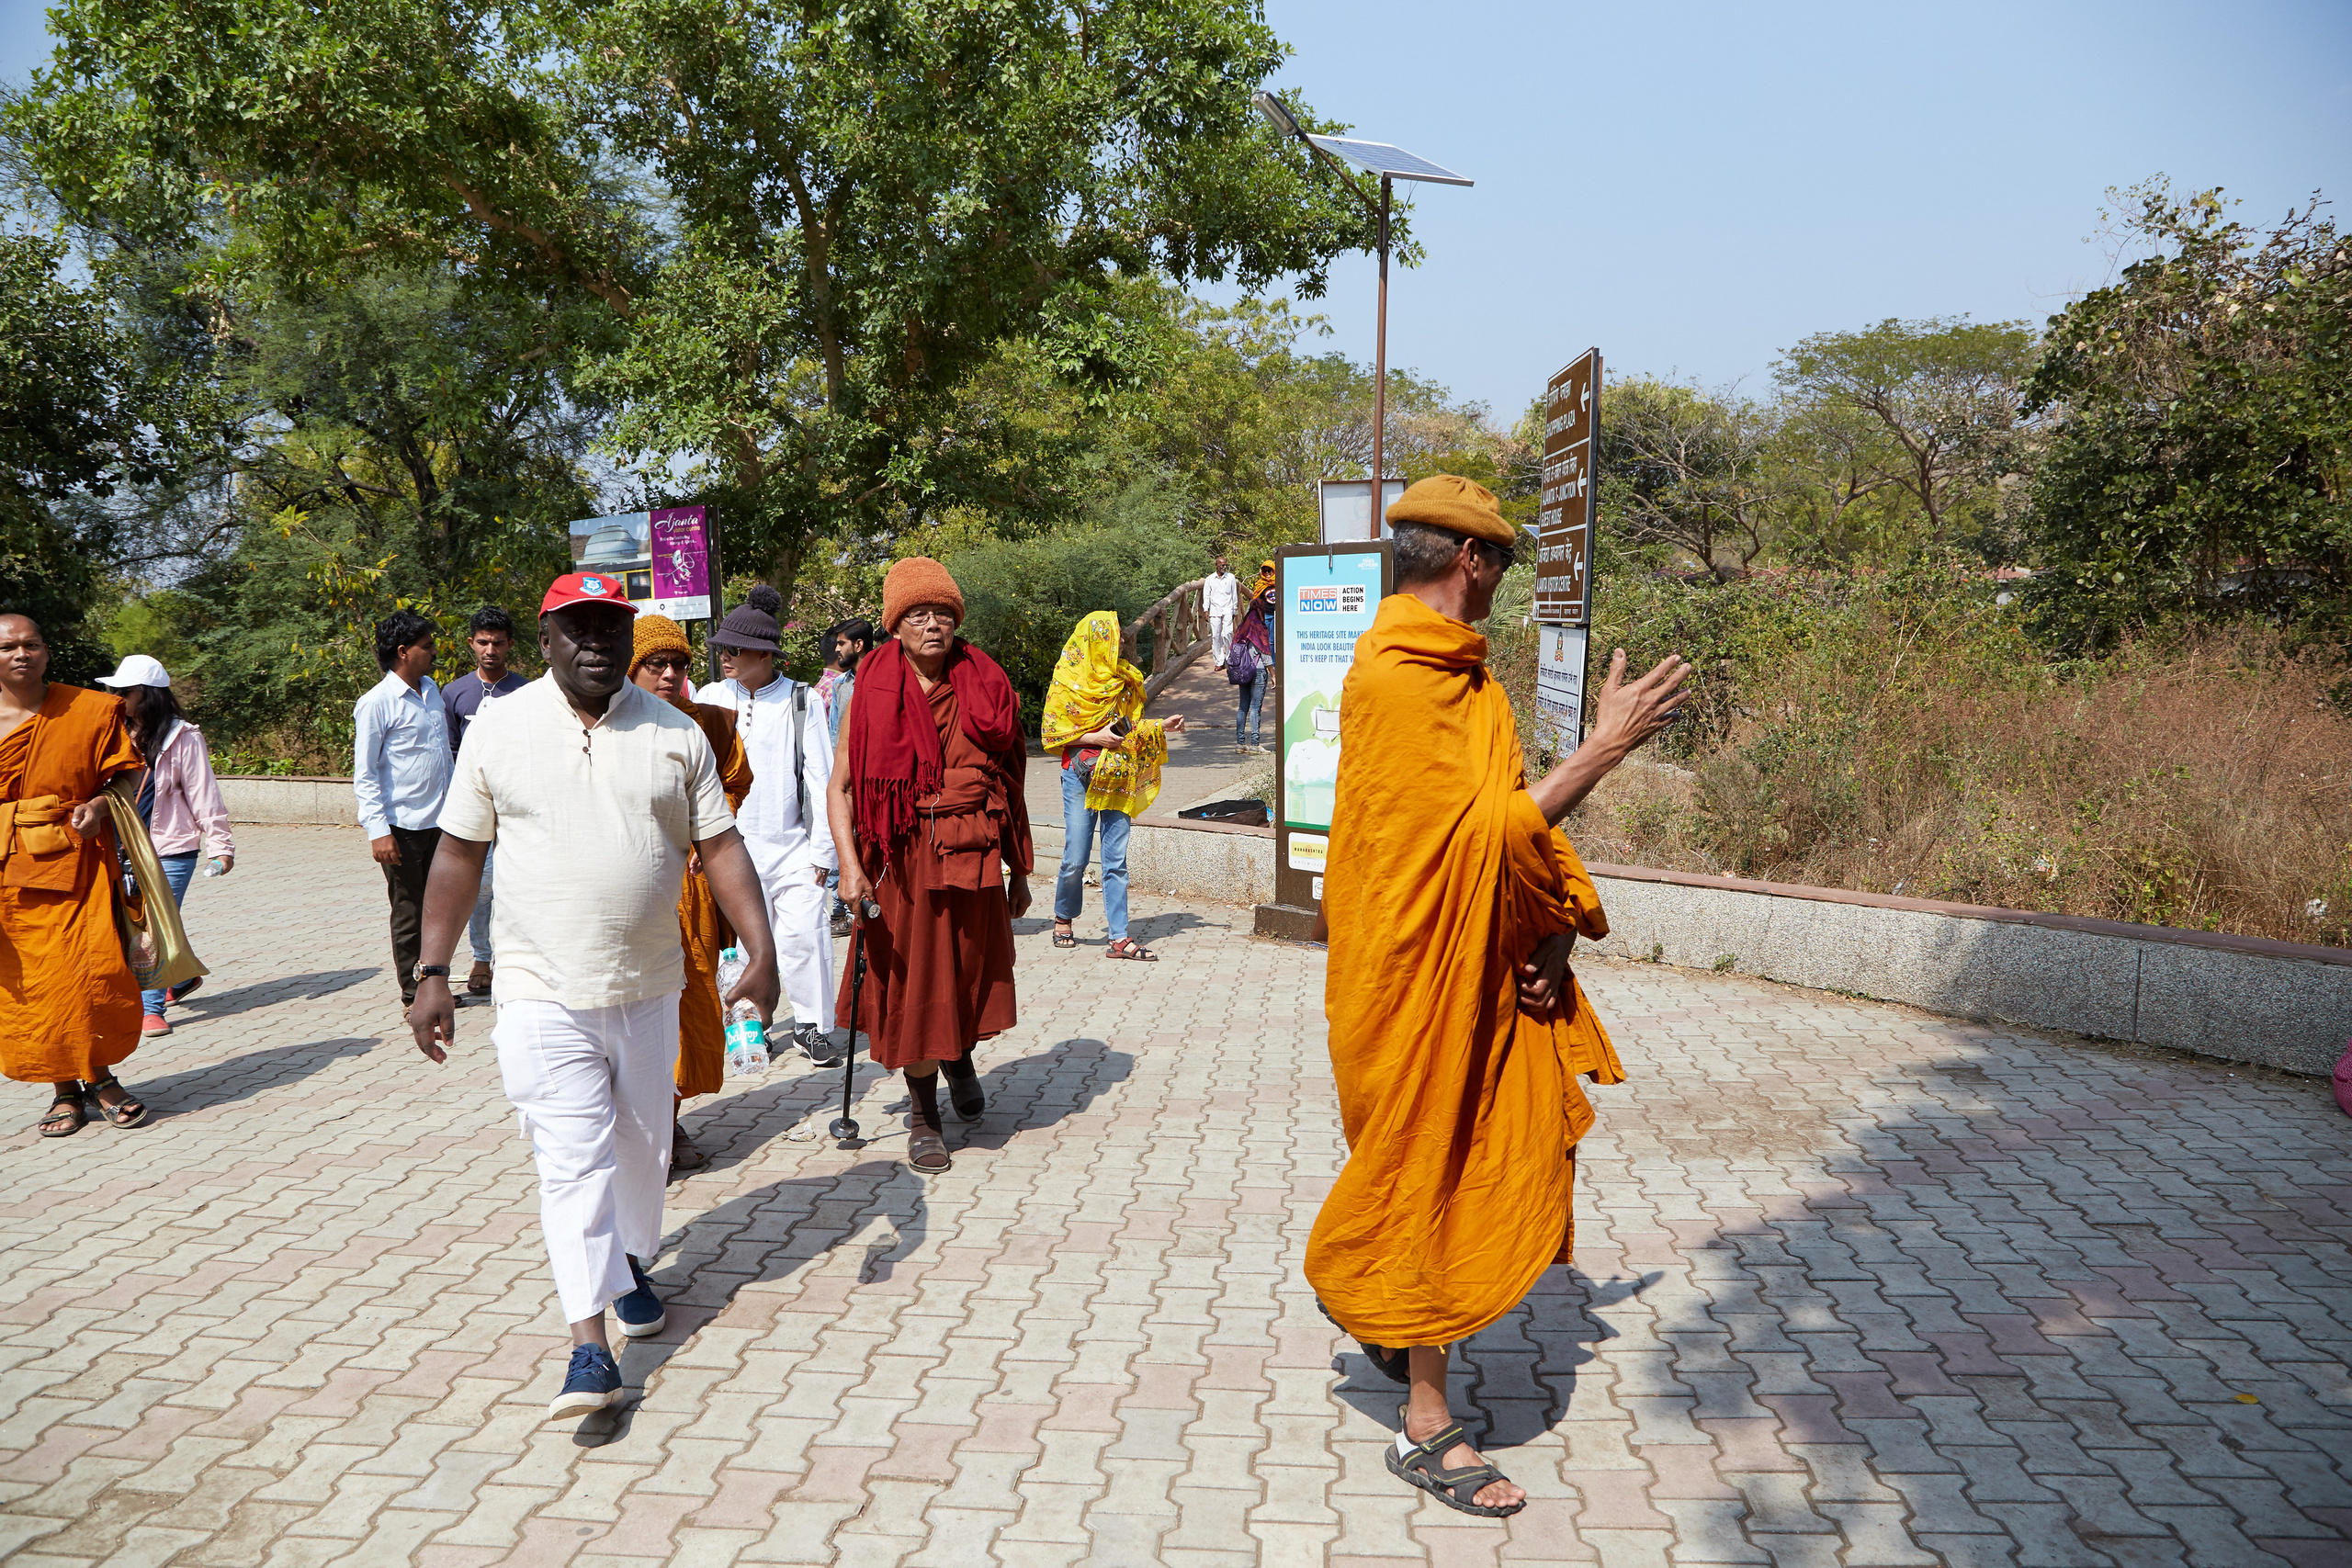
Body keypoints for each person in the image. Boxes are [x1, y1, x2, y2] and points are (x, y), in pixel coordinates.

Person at [1305, 475, 1690, 1519]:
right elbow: (1466, 841)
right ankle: (1427, 1427)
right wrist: (1605, 748)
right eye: (1500, 568)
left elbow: (1504, 831)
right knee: (1430, 1163)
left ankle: (1394, 1322)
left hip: (1477, 962)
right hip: (1406, 974)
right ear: (1471, 560)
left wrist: (1551, 935)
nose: (1501, 587)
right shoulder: (1395, 676)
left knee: (1459, 1155)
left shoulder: (1467, 677)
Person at [406, 571, 779, 1422]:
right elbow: (459, 855)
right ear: (546, 640)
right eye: (577, 627)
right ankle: (588, 1345)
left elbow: (719, 846)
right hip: (539, 990)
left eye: (611, 625)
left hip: (650, 985)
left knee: (644, 1158)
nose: (596, 641)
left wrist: (761, 948)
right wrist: (433, 972)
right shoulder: (499, 730)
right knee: (573, 1162)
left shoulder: (676, 733)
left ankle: (632, 1262)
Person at [826, 557, 1032, 1174]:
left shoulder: (986, 682)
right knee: (918, 984)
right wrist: (848, 865)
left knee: (965, 974)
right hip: (900, 857)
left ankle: (959, 1055)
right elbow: (840, 787)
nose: (933, 624)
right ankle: (923, 1114)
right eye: (917, 613)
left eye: (943, 611)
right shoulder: (870, 688)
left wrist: (1021, 870)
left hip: (971, 851)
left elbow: (1013, 781)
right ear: (895, 624)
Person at [0, 613, 153, 1134]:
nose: (22, 654)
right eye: (8, 647)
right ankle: (65, 1090)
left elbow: (130, 771)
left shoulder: (87, 709)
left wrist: (104, 807)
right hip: (8, 877)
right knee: (37, 985)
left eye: (32, 644)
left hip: (78, 865)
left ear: (46, 651)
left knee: (92, 974)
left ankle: (101, 1078)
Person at [629, 615, 754, 1171]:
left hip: (693, 888)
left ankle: (670, 1125)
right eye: (656, 664)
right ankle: (629, 1131)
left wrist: (712, 828)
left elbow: (735, 779)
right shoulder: (608, 727)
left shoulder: (708, 724)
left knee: (685, 1006)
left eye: (679, 664)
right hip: (629, 890)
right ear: (632, 668)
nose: (670, 674)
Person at [695, 584, 840, 1066]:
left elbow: (822, 779)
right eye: (722, 650)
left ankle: (813, 1026)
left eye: (733, 650)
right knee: (739, 946)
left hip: (793, 846)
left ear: (763, 654)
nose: (724, 658)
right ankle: (751, 1021)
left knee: (804, 935)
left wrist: (824, 852)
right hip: (729, 850)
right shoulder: (713, 698)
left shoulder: (801, 700)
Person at [96, 654, 234, 1036]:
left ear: (149, 694)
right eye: (113, 689)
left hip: (171, 846)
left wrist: (221, 845)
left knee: (155, 922)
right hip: (121, 844)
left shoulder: (182, 736)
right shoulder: (111, 732)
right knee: (125, 920)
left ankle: (150, 1009)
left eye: (124, 691)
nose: (115, 696)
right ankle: (180, 978)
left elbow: (203, 792)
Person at [1039, 612, 1184, 961]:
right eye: (1111, 638)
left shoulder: (1122, 679)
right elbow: (1052, 734)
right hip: (1078, 774)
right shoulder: (1068, 678)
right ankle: (1063, 917)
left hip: (1117, 776)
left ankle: (1119, 938)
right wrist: (1096, 737)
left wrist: (1160, 726)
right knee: (1075, 857)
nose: (1117, 644)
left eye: (1117, 638)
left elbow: (1126, 726)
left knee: (1115, 861)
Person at [354, 608, 452, 1010]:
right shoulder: (376, 703)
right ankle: (413, 994)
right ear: (402, 652)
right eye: (426, 647)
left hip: (441, 823)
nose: (433, 653)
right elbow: (365, 772)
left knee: (441, 909)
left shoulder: (432, 690)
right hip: (402, 828)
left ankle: (435, 983)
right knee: (410, 912)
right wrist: (378, 830)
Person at [441, 605, 527, 998]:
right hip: (476, 805)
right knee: (481, 885)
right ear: (472, 644)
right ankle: (481, 957)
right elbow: (451, 752)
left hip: (519, 804)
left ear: (509, 645)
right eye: (483, 642)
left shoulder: (527, 691)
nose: (490, 649)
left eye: (497, 642)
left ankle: (517, 958)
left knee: (519, 881)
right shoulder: (454, 693)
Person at [1230, 575, 1275, 754]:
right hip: (1256, 672)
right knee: (1256, 708)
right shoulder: (1259, 626)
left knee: (1243, 706)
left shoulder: (1243, 625)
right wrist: (1273, 674)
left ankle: (1240, 743)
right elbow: (1264, 653)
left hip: (1243, 671)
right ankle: (1255, 744)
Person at [1203, 556, 1239, 669]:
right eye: (1222, 565)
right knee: (1215, 636)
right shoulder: (1209, 579)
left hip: (1228, 609)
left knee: (1227, 633)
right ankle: (1219, 661)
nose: (1224, 567)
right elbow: (1206, 595)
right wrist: (1206, 609)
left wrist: (1234, 609)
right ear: (1216, 565)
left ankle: (1229, 658)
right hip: (1215, 610)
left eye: (1225, 565)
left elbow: (1234, 595)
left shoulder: (1231, 578)